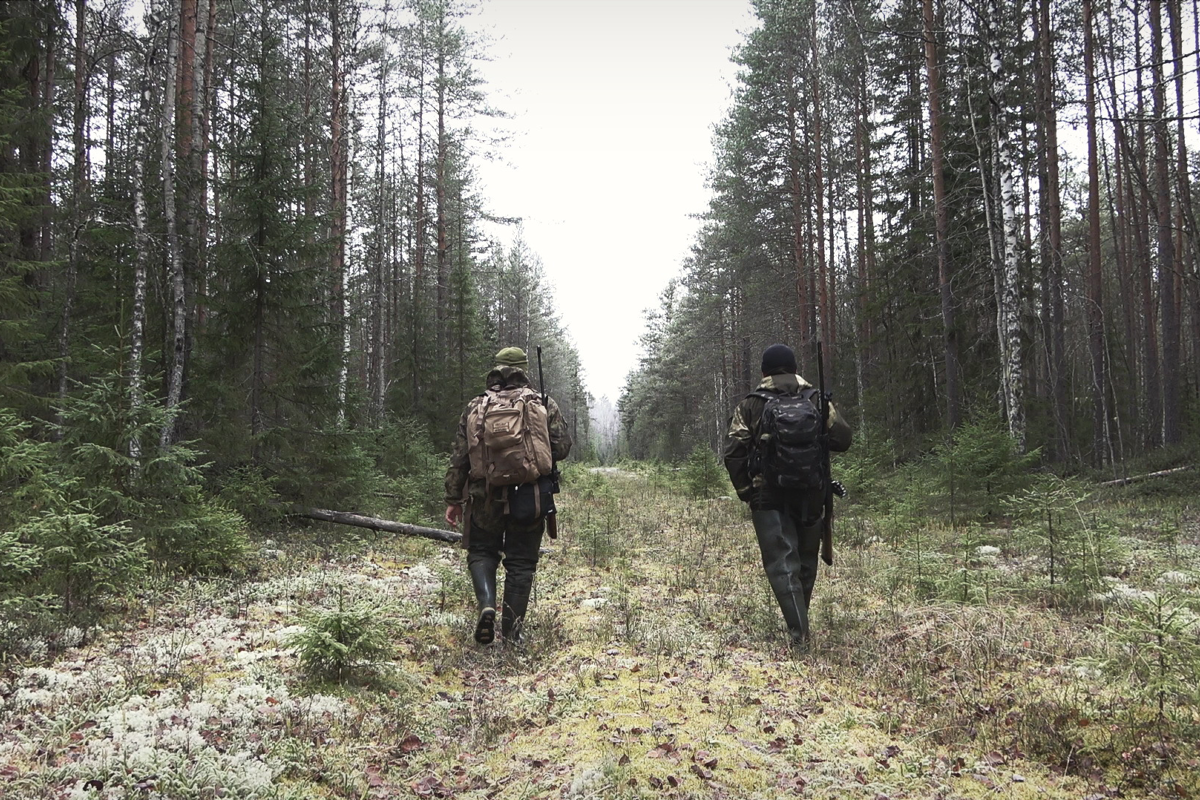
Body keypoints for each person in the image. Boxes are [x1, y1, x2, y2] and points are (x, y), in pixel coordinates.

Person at [724, 343, 852, 646]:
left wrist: (746, 491)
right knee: (806, 561)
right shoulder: (815, 399)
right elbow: (844, 439)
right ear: (794, 368)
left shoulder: (751, 404)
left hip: (769, 495)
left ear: (764, 371)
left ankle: (800, 635)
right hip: (812, 491)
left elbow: (733, 452)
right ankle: (801, 625)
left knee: (782, 564)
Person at [444, 347, 572, 645]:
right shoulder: (542, 403)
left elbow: (460, 457)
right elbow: (562, 448)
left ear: (498, 369)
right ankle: (513, 632)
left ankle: (487, 604)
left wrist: (453, 499)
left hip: (484, 496)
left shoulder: (476, 406)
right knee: (521, 563)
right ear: (524, 370)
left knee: (481, 551)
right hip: (530, 497)